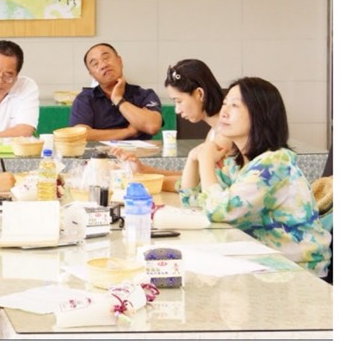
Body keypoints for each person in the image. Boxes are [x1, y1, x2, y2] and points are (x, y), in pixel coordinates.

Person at [179, 77, 330, 277]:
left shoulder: (274, 164)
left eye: (234, 106)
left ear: (260, 114)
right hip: (266, 266)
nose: (223, 112)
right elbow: (194, 203)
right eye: (225, 104)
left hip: (299, 273)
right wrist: (193, 158)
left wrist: (206, 159)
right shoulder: (239, 164)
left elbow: (219, 210)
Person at [110, 58, 224, 192]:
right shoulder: (214, 132)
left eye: (179, 101)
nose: (177, 110)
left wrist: (139, 181)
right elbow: (193, 177)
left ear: (199, 94)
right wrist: (142, 170)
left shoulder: (225, 135)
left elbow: (195, 186)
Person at [68, 43, 162, 141]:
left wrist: (118, 99)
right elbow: (79, 135)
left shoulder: (144, 95)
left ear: (120, 61)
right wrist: (128, 131)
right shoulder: (85, 99)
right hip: (100, 155)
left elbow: (152, 126)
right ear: (92, 75)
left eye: (106, 58)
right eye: (95, 64)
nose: (103, 65)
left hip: (138, 155)